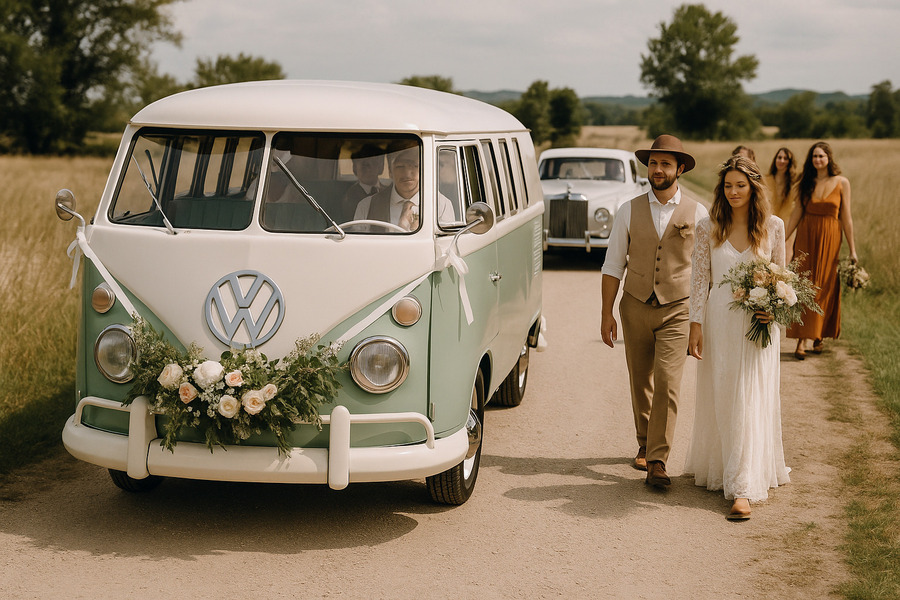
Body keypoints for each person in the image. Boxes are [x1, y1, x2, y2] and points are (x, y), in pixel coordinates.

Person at [685, 155, 791, 521]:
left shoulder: (773, 227)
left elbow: (784, 281)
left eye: (740, 186)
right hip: (719, 323)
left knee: (750, 395)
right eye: (728, 185)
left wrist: (773, 311)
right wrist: (694, 325)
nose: (733, 192)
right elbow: (700, 280)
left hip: (758, 327)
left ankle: (742, 488)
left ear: (753, 188)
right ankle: (725, 465)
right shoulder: (707, 226)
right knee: (724, 394)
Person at [600, 134, 709, 489]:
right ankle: (644, 443)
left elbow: (705, 269)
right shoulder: (628, 209)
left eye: (665, 164)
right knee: (640, 379)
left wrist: (700, 319)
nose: (658, 169)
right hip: (634, 305)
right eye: (653, 163)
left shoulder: (699, 212)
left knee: (667, 381)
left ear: (680, 169)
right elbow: (613, 265)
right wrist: (607, 313)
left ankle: (658, 460)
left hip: (678, 308)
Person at [784, 141, 858, 360]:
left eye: (821, 156)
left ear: (829, 158)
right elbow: (797, 213)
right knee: (805, 285)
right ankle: (802, 340)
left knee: (824, 286)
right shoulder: (805, 182)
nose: (818, 160)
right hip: (806, 237)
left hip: (831, 237)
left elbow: (846, 217)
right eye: (814, 156)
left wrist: (853, 249)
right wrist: (783, 239)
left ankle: (819, 335)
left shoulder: (842, 182)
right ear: (811, 160)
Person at [354, 139, 455, 231]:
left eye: (415, 166)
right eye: (400, 166)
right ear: (390, 170)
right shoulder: (366, 206)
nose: (407, 174)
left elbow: (445, 245)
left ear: (423, 168)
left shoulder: (441, 205)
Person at [763, 147, 798, 261]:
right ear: (775, 160)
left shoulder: (795, 184)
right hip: (767, 226)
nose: (782, 161)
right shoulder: (765, 180)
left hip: (787, 230)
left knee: (783, 262)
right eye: (779, 157)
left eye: (786, 158)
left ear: (790, 162)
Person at [341, 144, 385, 221]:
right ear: (355, 168)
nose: (368, 168)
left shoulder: (388, 191)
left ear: (381, 167)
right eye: (364, 164)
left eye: (373, 163)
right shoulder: (349, 196)